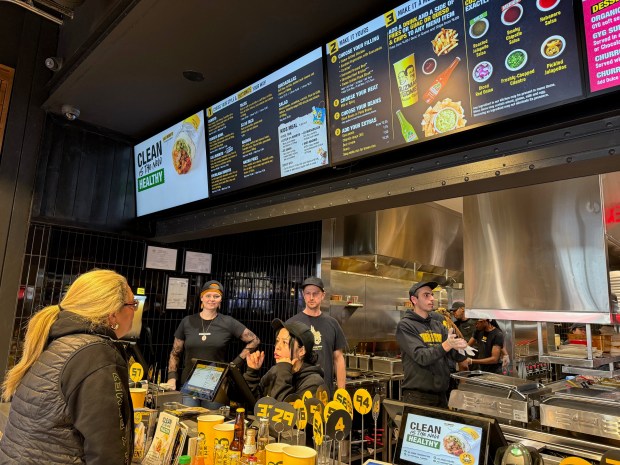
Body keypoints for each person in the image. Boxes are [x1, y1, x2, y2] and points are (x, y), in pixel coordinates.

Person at [0, 269, 136, 465]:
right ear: (113, 314)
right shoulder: (96, 354)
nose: (135, 311)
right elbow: (107, 452)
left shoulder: (62, 341)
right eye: (133, 304)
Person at [165, 280, 260, 403]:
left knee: (213, 421)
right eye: (208, 295)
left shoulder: (228, 322)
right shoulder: (187, 322)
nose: (212, 299)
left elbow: (255, 340)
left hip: (216, 386)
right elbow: (175, 352)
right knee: (188, 420)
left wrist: (233, 365)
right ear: (202, 298)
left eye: (216, 296)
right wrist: (172, 377)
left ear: (221, 300)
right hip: (189, 384)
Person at [396, 281, 469, 407]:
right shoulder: (405, 325)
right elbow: (421, 356)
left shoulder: (438, 325)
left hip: (442, 395)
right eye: (426, 295)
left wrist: (461, 349)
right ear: (414, 299)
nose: (431, 299)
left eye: (432, 295)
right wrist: (447, 344)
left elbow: (454, 355)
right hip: (418, 397)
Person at [286, 276, 347, 395]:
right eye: (308, 293)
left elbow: (338, 358)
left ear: (323, 295)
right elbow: (285, 360)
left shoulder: (332, 324)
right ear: (303, 295)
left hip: (325, 392)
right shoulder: (291, 324)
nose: (311, 297)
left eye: (315, 293)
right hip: (298, 393)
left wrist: (341, 393)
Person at [244, 319, 324, 400]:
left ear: (301, 351)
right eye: (277, 341)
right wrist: (252, 373)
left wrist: (283, 372)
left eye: (285, 342)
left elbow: (283, 410)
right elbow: (256, 403)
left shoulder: (313, 382)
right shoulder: (276, 370)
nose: (277, 347)